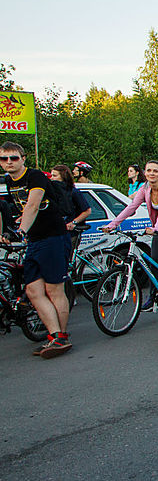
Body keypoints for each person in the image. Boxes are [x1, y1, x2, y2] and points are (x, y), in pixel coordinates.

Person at [0, 142, 72, 358]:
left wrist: (20, 231)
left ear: (23, 158)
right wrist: (11, 230)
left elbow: (32, 204)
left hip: (53, 237)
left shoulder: (35, 177)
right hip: (35, 239)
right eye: (4, 159)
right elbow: (23, 210)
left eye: (14, 158)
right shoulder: (8, 181)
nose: (9, 162)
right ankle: (54, 335)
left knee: (53, 289)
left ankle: (61, 337)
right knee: (33, 291)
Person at [103, 160, 158, 310]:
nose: (152, 173)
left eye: (155, 171)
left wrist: (155, 227)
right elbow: (131, 208)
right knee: (154, 261)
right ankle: (153, 297)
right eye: (149, 170)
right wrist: (113, 224)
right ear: (144, 173)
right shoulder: (145, 188)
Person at [50, 165, 92, 257]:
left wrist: (73, 222)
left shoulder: (73, 192)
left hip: (71, 232)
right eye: (51, 175)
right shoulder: (52, 193)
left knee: (66, 257)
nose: (52, 178)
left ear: (63, 176)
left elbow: (87, 211)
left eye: (54, 176)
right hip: (57, 230)